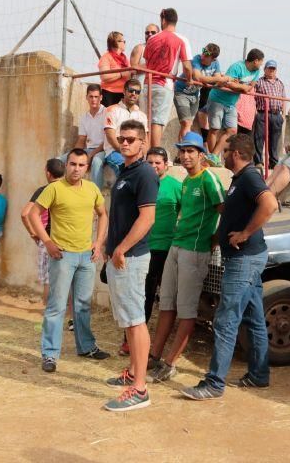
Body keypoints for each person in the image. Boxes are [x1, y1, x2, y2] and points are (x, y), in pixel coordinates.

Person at [181, 134, 277, 400]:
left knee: (226, 320)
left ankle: (214, 383)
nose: (223, 156)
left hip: (244, 258)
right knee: (255, 318)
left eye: (226, 152)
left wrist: (245, 233)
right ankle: (258, 375)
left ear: (235, 153)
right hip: (247, 258)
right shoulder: (240, 179)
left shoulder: (249, 177)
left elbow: (269, 204)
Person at [149, 132, 225, 382]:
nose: (186, 155)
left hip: (195, 250)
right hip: (176, 245)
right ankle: (154, 357)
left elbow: (223, 210)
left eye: (191, 151)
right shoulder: (185, 181)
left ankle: (170, 364)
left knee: (186, 310)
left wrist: (214, 240)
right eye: (182, 151)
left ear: (201, 154)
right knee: (167, 304)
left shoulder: (208, 179)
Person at [29, 149, 110, 374]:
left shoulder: (92, 189)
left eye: (81, 165)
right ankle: (50, 354)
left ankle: (86, 347)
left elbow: (103, 214)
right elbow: (33, 214)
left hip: (86, 255)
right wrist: (47, 241)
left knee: (83, 305)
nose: (76, 169)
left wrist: (99, 242)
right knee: (56, 306)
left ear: (87, 167)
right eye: (72, 164)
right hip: (62, 256)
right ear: (66, 165)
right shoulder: (54, 189)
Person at [103, 120, 158, 412]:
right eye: (122, 138)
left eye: (131, 139)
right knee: (129, 320)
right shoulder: (126, 171)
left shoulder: (145, 173)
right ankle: (134, 373)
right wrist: (107, 246)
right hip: (120, 256)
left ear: (143, 142)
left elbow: (147, 218)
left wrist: (121, 248)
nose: (124, 143)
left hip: (132, 257)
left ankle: (139, 389)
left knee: (136, 321)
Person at [119, 146, 183, 357]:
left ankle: (157, 344)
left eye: (158, 162)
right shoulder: (142, 182)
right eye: (150, 162)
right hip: (142, 247)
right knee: (142, 296)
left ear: (166, 165)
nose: (154, 166)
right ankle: (131, 341)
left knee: (165, 297)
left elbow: (185, 211)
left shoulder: (175, 186)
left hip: (165, 249)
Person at [142, 8, 193, 148]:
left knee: (146, 121)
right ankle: (155, 153)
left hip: (147, 83)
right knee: (157, 121)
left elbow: (146, 59)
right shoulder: (181, 40)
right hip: (165, 83)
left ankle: (145, 154)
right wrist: (189, 80)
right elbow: (187, 67)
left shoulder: (152, 38)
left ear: (163, 20)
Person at [21, 158, 66, 305]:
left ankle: (48, 314)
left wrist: (33, 233)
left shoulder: (44, 190)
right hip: (68, 239)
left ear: (48, 173)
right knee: (67, 278)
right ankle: (68, 316)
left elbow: (25, 214)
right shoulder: (69, 189)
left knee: (48, 280)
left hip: (47, 239)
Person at [206, 49, 265, 158]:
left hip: (231, 103)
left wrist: (238, 85)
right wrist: (242, 87)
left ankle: (213, 157)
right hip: (217, 99)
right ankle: (212, 157)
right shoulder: (237, 67)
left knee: (232, 131)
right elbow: (227, 83)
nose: (262, 64)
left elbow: (250, 88)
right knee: (215, 129)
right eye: (261, 61)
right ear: (256, 61)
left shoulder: (256, 72)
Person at [92, 79, 148, 185]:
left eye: (137, 92)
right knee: (128, 172)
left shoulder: (142, 115)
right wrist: (126, 153)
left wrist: (142, 155)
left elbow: (145, 140)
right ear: (124, 91)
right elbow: (110, 137)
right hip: (115, 152)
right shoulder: (112, 110)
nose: (133, 94)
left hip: (135, 154)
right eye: (131, 90)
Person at [173, 43, 224, 141]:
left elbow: (218, 81)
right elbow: (198, 77)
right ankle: (184, 150)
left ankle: (181, 153)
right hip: (181, 93)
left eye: (206, 54)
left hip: (195, 95)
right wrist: (217, 78)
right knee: (186, 123)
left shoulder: (216, 64)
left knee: (186, 125)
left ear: (213, 59)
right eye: (203, 51)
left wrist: (218, 79)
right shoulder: (197, 59)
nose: (203, 55)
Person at [66, 84, 106, 184]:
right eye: (91, 96)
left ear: (101, 97)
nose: (93, 100)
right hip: (88, 150)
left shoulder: (107, 113)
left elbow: (108, 141)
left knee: (96, 161)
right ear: (86, 97)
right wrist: (74, 154)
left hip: (104, 149)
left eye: (96, 97)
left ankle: (97, 197)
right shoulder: (84, 117)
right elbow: (81, 140)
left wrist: (91, 155)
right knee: (61, 160)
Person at [252, 59, 286, 168]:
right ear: (265, 69)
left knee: (274, 140)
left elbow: (283, 99)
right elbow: (253, 96)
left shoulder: (280, 83)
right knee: (259, 138)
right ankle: (258, 162)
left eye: (273, 69)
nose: (271, 71)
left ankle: (273, 162)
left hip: (276, 115)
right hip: (262, 113)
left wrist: (283, 114)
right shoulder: (259, 81)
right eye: (269, 68)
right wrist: (255, 111)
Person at [97, 32, 131, 107]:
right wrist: (121, 74)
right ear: (117, 42)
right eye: (123, 41)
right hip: (109, 93)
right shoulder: (106, 57)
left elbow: (128, 75)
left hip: (123, 93)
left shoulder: (125, 59)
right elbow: (104, 77)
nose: (125, 43)